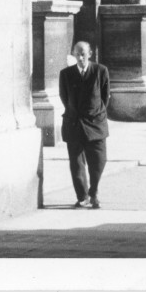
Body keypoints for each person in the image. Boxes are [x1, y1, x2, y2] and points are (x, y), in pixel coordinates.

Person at [59, 40, 110, 209]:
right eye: (77, 54)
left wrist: (95, 113)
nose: (80, 57)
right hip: (74, 123)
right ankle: (82, 197)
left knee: (99, 160)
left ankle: (93, 191)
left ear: (90, 54)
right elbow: (64, 98)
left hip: (96, 123)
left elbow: (105, 97)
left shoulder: (100, 71)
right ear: (73, 54)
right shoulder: (65, 74)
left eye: (83, 54)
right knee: (77, 163)